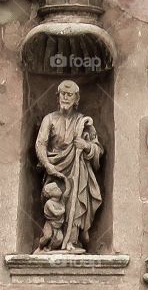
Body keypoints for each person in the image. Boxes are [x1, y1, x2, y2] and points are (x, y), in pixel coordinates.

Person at [34, 80, 102, 253]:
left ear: (76, 98)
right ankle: (52, 242)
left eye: (69, 94)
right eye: (62, 94)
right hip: (55, 171)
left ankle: (72, 242)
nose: (65, 97)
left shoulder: (82, 122)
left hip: (78, 171)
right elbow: (40, 144)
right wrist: (48, 165)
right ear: (58, 97)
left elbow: (98, 149)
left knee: (76, 201)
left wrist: (85, 146)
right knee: (54, 202)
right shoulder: (49, 119)